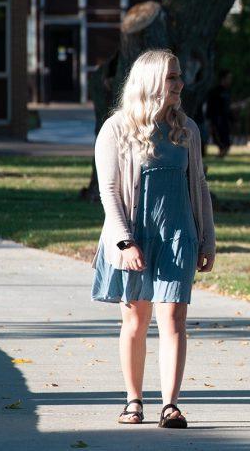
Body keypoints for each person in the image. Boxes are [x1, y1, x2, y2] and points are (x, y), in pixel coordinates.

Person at [91, 49, 216, 429]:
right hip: (134, 237)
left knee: (174, 320)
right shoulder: (116, 129)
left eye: (179, 78)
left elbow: (199, 184)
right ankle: (133, 400)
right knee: (135, 321)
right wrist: (125, 242)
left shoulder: (187, 129)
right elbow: (109, 191)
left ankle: (171, 405)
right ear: (150, 82)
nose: (180, 85)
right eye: (172, 78)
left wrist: (207, 238)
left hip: (178, 234)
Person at [202, 70, 234, 158]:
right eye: (228, 78)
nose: (230, 80)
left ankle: (220, 155)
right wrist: (209, 120)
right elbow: (210, 106)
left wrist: (232, 118)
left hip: (225, 120)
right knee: (219, 139)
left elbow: (228, 107)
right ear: (223, 79)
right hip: (216, 119)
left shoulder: (228, 91)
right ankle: (220, 155)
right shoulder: (214, 92)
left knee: (227, 142)